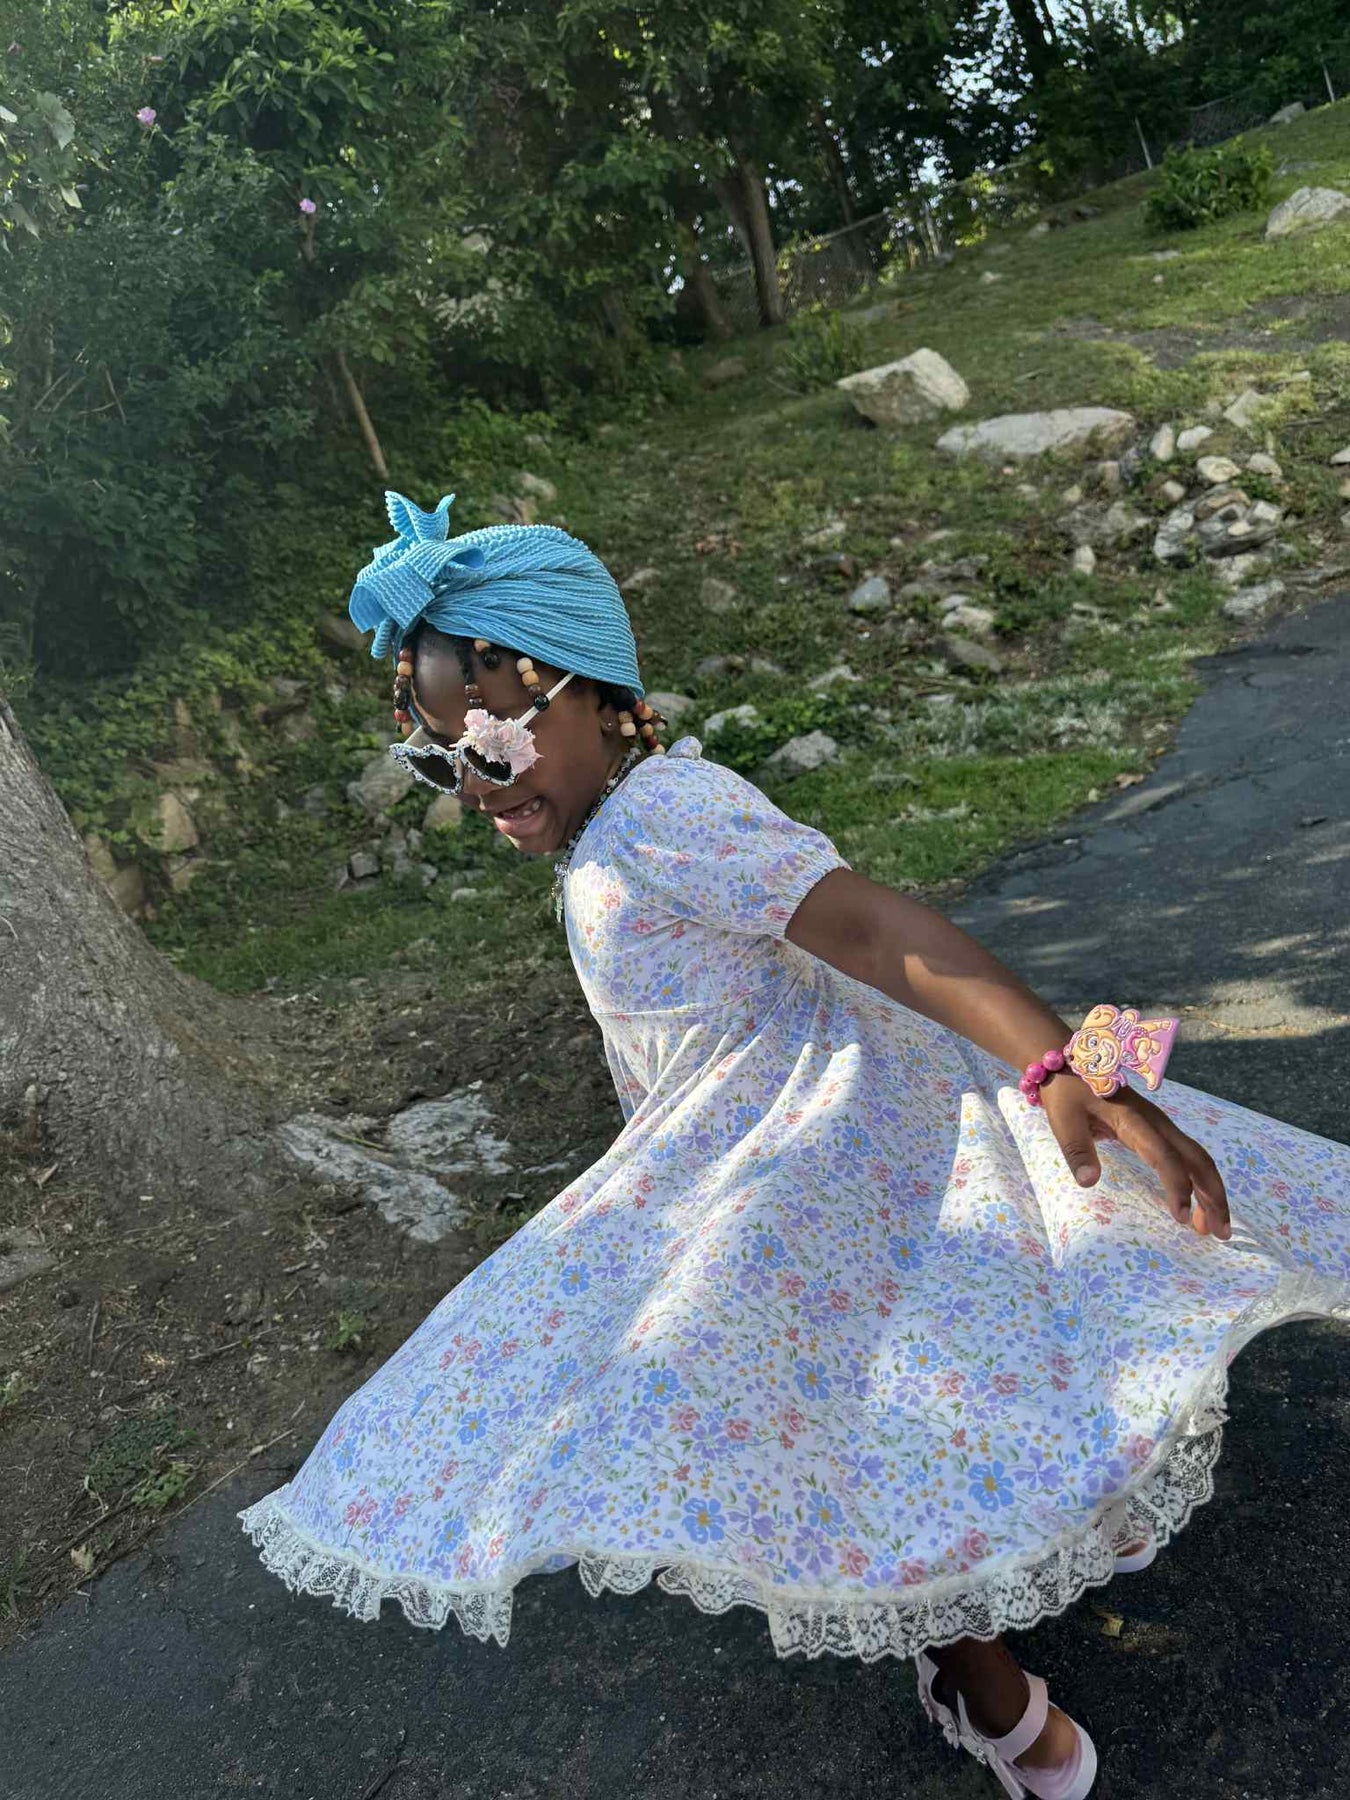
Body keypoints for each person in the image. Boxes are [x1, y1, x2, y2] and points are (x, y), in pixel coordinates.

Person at [240, 493, 1350, 1799]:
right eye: (446, 761)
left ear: (596, 696)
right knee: (915, 1375)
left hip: (831, 1147)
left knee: (884, 1411)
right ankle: (1028, 1625)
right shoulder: (610, 831)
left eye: (493, 740)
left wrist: (1070, 1068)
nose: (480, 784)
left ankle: (1005, 1711)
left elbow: (876, 931)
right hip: (777, 1159)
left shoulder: (669, 811)